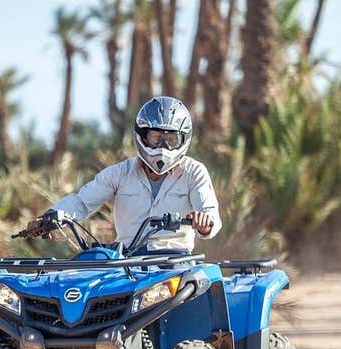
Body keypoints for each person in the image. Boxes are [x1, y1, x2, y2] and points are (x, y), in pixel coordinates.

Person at [26, 96, 221, 254]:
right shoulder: (120, 173)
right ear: (142, 135)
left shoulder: (194, 172)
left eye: (171, 139)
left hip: (174, 263)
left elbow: (211, 215)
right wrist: (49, 218)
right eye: (155, 138)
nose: (162, 147)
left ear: (183, 140)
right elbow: (82, 202)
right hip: (125, 261)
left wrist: (204, 223)